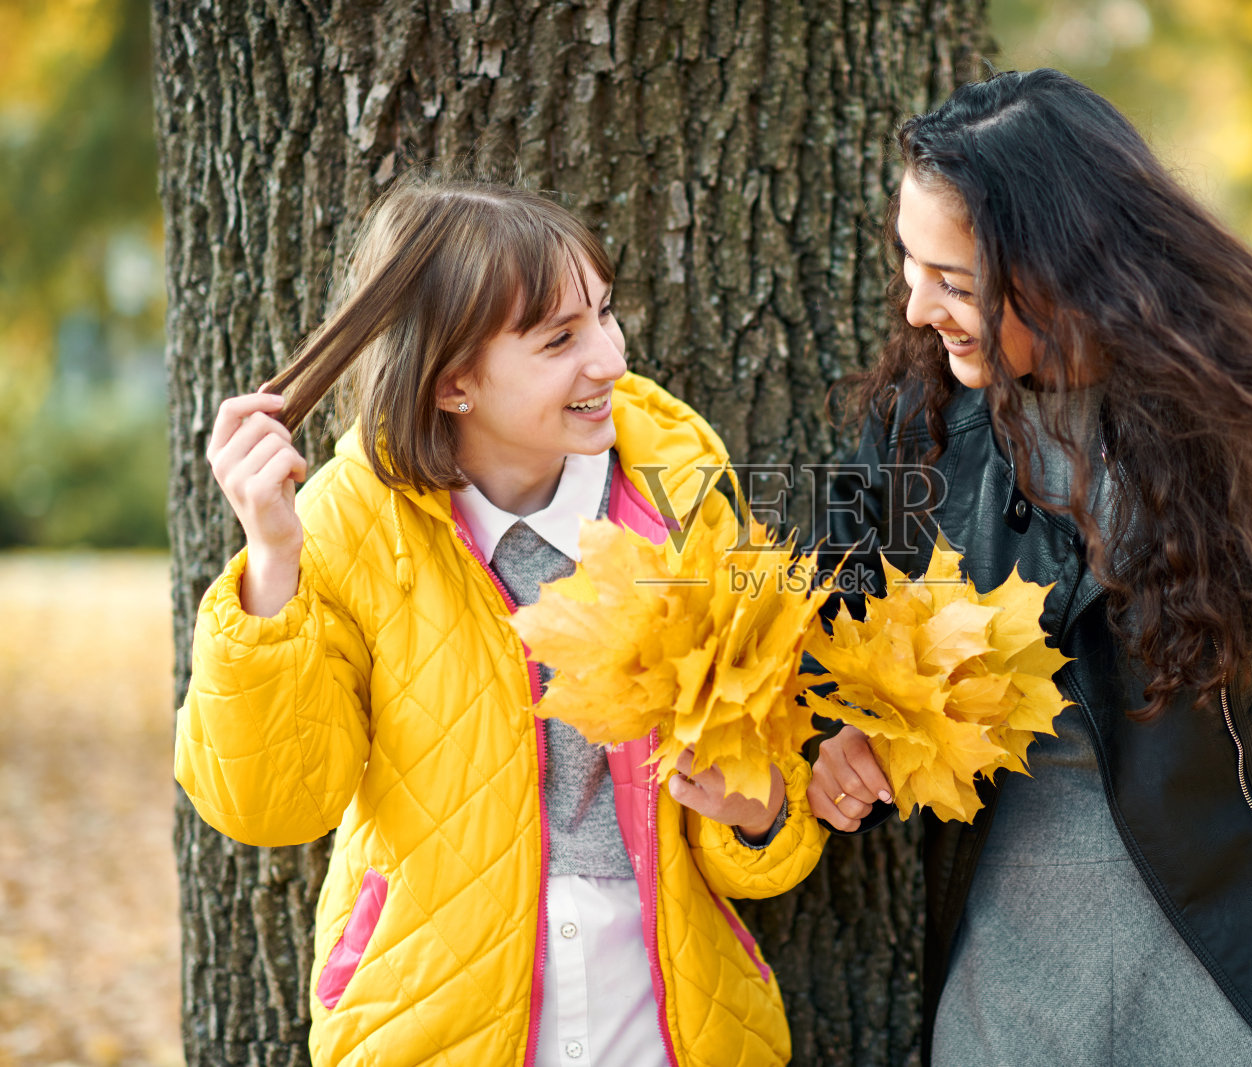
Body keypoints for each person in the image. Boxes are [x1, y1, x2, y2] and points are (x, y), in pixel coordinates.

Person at [807, 69, 1252, 1065]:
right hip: (1014, 977)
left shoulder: (1244, 412)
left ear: (1060, 264)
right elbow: (822, 622)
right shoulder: (916, 425)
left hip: (1248, 965)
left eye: (956, 280)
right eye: (908, 264)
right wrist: (834, 733)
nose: (917, 306)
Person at [175, 176, 823, 1067]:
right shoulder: (347, 521)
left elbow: (766, 814)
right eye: (561, 338)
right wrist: (273, 560)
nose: (609, 360)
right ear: (452, 386)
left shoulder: (682, 486)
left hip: (665, 1019)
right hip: (433, 1020)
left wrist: (761, 813)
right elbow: (271, 804)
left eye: (605, 315)